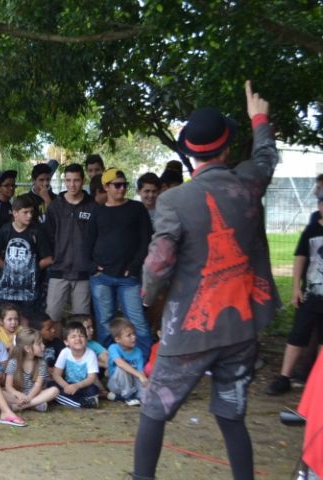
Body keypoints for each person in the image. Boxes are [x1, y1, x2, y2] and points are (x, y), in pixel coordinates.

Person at [133, 82, 278, 480]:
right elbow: (266, 156)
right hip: (241, 325)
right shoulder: (248, 183)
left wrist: (148, 296)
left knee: (154, 409)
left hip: (189, 331)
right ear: (226, 149)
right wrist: (259, 119)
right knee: (232, 414)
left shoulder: (174, 200)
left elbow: (158, 263)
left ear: (190, 153)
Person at [86, 167, 154, 355]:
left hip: (128, 277)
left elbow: (146, 240)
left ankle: (144, 362)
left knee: (137, 320)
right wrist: (92, 267)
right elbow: (88, 242)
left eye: (124, 185)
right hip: (102, 276)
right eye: (117, 185)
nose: (122, 188)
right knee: (104, 321)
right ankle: (108, 361)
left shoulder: (137, 208)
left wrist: (134, 266)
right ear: (106, 187)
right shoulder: (98, 211)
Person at [268, 195, 323, 395]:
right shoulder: (311, 230)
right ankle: (284, 378)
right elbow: (300, 258)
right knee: (297, 335)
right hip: (311, 295)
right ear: (319, 206)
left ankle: (318, 384)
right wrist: (295, 288)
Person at [44, 163, 94, 325]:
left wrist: (92, 263)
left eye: (76, 180)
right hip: (59, 269)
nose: (72, 184)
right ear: (64, 181)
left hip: (83, 272)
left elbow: (97, 237)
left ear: (83, 180)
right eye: (68, 180)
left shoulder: (92, 206)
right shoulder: (55, 206)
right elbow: (48, 236)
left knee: (82, 321)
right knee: (51, 318)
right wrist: (52, 258)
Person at [0, 194, 53, 320]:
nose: (29, 215)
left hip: (29, 290)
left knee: (26, 320)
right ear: (15, 213)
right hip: (7, 288)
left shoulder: (36, 232)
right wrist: (9, 268)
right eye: (25, 212)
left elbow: (48, 259)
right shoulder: (5, 230)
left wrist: (30, 270)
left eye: (31, 212)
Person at [4, 327, 58, 413]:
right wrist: (18, 394)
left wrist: (28, 398)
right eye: (39, 344)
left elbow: (38, 385)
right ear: (27, 348)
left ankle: (20, 406)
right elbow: (8, 386)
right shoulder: (13, 362)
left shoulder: (42, 363)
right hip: (17, 395)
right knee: (1, 392)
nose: (43, 346)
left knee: (55, 391)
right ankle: (34, 404)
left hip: (34, 394)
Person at [52, 321, 100, 409]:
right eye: (73, 337)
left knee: (93, 390)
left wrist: (77, 386)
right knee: (51, 386)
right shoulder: (64, 352)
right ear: (66, 342)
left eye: (81, 336)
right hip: (67, 384)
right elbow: (56, 374)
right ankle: (83, 403)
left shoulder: (91, 354)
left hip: (83, 386)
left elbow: (91, 378)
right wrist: (66, 386)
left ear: (86, 339)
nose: (78, 339)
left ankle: (70, 399)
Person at [106, 318, 147, 406]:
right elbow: (120, 363)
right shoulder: (113, 348)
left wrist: (144, 380)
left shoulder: (138, 351)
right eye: (129, 335)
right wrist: (140, 375)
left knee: (146, 394)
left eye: (134, 334)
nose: (133, 337)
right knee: (122, 368)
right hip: (116, 385)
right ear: (118, 339)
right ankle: (128, 396)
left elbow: (140, 372)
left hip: (132, 385)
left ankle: (120, 397)